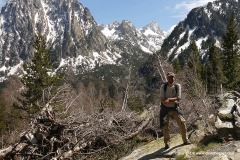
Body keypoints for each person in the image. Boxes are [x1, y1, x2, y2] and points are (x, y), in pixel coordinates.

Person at [159, 72, 190, 149]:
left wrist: (169, 99)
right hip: (165, 110)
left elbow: (179, 98)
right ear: (167, 78)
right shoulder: (163, 86)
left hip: (175, 109)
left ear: (174, 78)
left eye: (172, 77)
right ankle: (167, 143)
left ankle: (185, 140)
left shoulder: (177, 86)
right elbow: (162, 100)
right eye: (169, 77)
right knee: (165, 125)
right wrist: (174, 100)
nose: (171, 79)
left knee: (182, 122)